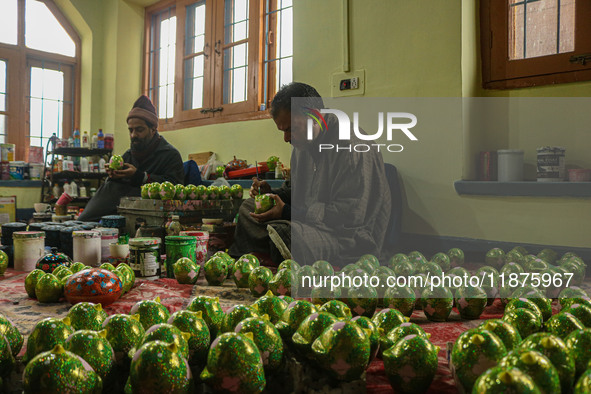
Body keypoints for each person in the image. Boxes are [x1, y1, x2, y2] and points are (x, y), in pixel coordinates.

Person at [229, 82, 391, 266]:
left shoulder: (352, 147)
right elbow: (297, 192)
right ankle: (265, 257)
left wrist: (288, 212)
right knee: (248, 208)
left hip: (347, 237)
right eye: (282, 131)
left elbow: (349, 217)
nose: (286, 139)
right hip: (309, 223)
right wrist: (272, 195)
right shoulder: (303, 144)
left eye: (290, 129)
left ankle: (275, 253)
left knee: (289, 236)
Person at [78, 95, 184, 221]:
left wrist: (139, 176)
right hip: (124, 207)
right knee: (84, 223)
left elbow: (176, 189)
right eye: (131, 130)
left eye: (139, 130)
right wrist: (114, 174)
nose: (133, 135)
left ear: (153, 129)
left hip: (152, 211)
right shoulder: (128, 155)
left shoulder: (170, 155)